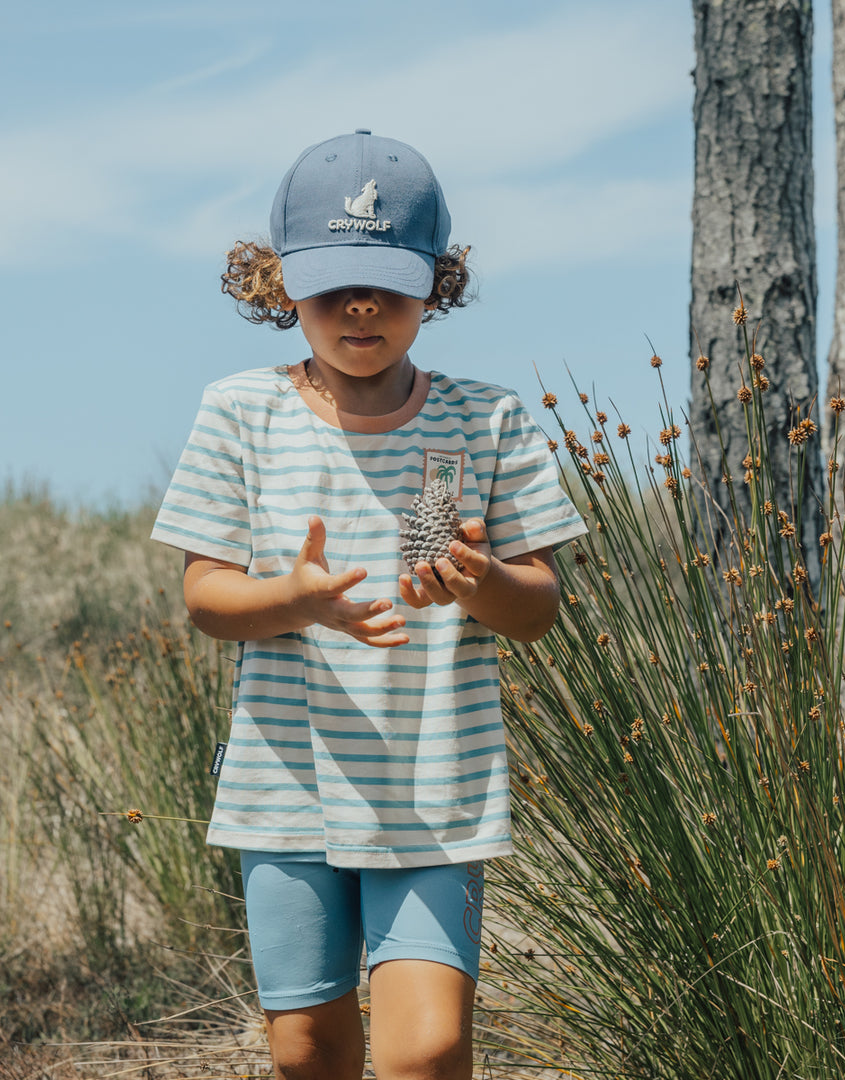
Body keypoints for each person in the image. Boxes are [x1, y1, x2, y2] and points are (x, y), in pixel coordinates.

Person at [152, 130, 586, 1080]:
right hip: (285, 790)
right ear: (278, 286)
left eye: (390, 281)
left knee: (428, 1050)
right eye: (333, 281)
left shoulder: (488, 420)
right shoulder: (239, 412)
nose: (361, 304)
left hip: (437, 785)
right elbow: (206, 598)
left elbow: (539, 606)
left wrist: (486, 580)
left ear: (437, 284)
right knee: (309, 1050)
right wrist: (297, 601)